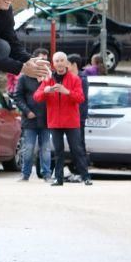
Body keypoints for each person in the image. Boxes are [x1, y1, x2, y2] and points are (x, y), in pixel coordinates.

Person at [34, 52, 91, 186]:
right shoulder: (49, 79)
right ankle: (58, 179)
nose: (59, 63)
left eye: (62, 60)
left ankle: (86, 176)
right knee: (58, 151)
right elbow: (37, 97)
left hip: (71, 121)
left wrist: (67, 92)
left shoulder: (75, 79)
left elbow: (81, 98)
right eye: (57, 61)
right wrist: (46, 91)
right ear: (53, 64)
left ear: (66, 63)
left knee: (77, 149)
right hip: (55, 121)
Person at [13, 48, 52, 182]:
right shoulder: (24, 78)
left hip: (46, 119)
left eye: (46, 61)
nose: (44, 64)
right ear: (34, 60)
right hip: (30, 119)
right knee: (28, 148)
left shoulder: (50, 77)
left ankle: (47, 175)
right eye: (42, 60)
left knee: (46, 148)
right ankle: (25, 174)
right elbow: (17, 96)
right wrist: (27, 111)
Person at [67, 53, 91, 180]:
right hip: (72, 117)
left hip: (78, 117)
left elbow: (80, 100)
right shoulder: (72, 77)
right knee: (74, 145)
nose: (65, 67)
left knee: (79, 144)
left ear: (74, 65)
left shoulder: (81, 79)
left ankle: (82, 172)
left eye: (67, 64)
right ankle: (77, 171)